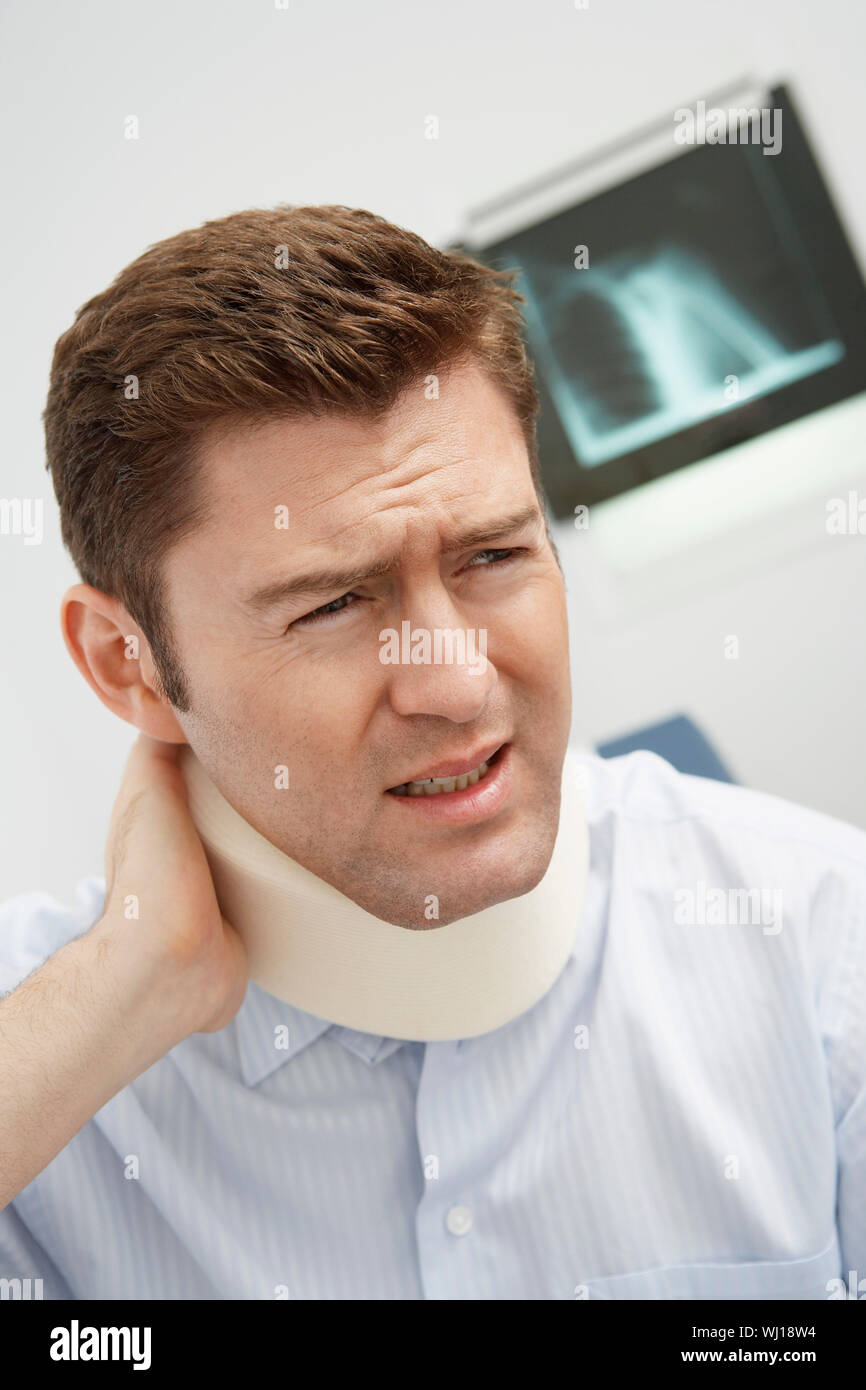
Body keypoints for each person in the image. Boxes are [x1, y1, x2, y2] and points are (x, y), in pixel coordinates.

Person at [0, 204, 863, 1301]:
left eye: (494, 553)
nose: (454, 680)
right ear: (129, 665)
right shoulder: (40, 1053)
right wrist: (123, 989)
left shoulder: (822, 943)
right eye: (331, 605)